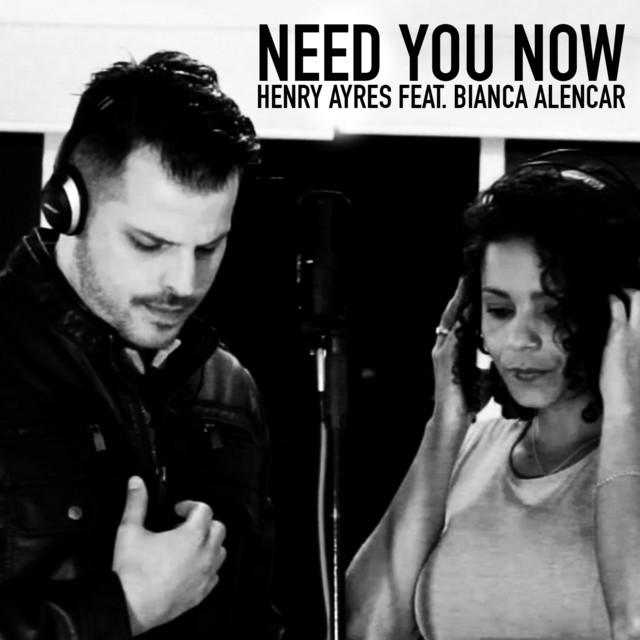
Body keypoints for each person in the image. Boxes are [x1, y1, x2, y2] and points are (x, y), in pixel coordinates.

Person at [0, 51, 283, 639]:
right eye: (149, 244)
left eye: (209, 248)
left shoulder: (228, 389)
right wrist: (125, 608)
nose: (183, 283)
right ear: (65, 207)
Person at [346, 149, 640, 640]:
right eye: (500, 310)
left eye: (554, 310)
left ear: (624, 311)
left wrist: (627, 410)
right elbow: (364, 628)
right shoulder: (471, 450)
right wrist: (445, 424)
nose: (520, 340)